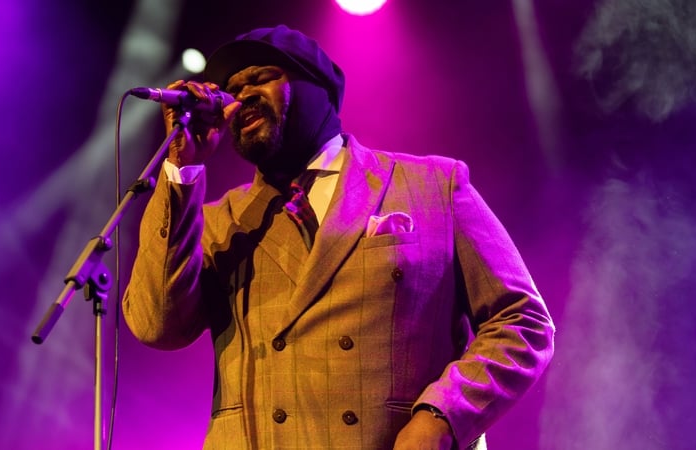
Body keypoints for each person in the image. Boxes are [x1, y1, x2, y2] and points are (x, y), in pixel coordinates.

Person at [123, 24, 555, 450]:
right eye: (233, 88)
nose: (243, 95)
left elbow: (521, 321)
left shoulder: (434, 185)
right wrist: (182, 171)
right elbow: (156, 324)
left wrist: (441, 417)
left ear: (319, 90)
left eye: (262, 77)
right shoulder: (219, 221)